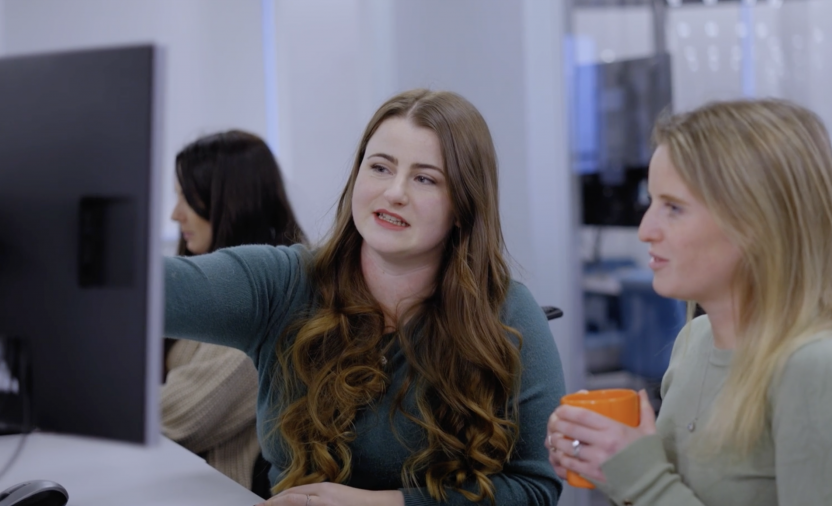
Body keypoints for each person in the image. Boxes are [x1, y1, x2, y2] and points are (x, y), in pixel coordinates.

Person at [163, 89, 565, 506]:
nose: (394, 192)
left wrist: (379, 504)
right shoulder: (283, 284)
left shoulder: (509, 312)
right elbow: (151, 290)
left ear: (463, 205)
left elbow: (535, 488)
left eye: (424, 178)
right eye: (380, 168)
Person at [546, 99, 832, 506]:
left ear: (756, 223)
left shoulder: (822, 371)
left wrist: (641, 479)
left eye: (673, 208)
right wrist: (612, 462)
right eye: (651, 202)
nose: (645, 229)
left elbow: (657, 490)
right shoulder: (695, 340)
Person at [163, 130, 306, 493]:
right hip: (181, 480)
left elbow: (181, 416)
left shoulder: (270, 300)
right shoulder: (209, 289)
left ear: (230, 200)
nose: (174, 213)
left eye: (187, 197)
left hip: (220, 491)